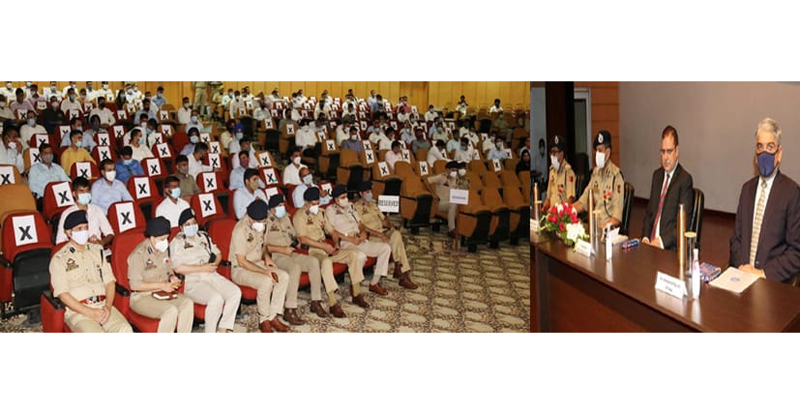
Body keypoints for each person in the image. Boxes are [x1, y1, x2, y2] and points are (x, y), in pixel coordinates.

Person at [730, 117, 800, 282]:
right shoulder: (746, 190)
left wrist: (762, 273)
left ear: (779, 153)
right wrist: (743, 268)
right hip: (741, 277)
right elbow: (736, 240)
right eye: (760, 147)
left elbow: (796, 251)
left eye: (770, 147)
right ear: (755, 154)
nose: (764, 153)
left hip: (771, 284)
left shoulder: (791, 192)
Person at [50, 210, 132, 333]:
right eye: (79, 229)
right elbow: (63, 294)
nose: (84, 232)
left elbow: (110, 282)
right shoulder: (59, 259)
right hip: (79, 312)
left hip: (103, 306)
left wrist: (108, 307)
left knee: (125, 330)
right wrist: (89, 312)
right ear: (68, 232)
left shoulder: (97, 250)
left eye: (86, 228)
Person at [294, 187, 370, 313]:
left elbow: (333, 231)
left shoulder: (321, 213)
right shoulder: (299, 216)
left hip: (327, 248)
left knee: (353, 255)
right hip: (313, 251)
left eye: (318, 203)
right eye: (313, 204)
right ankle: (333, 302)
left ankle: (356, 294)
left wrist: (336, 244)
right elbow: (303, 239)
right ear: (306, 203)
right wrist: (324, 247)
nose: (316, 206)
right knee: (326, 262)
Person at [170, 209, 242, 333]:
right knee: (216, 299)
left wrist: (215, 263)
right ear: (181, 227)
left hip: (211, 274)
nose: (191, 227)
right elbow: (178, 268)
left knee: (235, 292)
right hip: (193, 281)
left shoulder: (203, 236)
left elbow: (218, 253)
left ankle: (223, 328)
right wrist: (202, 268)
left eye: (193, 223)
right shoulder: (177, 243)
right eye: (187, 225)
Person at [264, 194, 332, 323]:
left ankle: (316, 301)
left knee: (313, 261)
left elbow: (294, 236)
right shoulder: (266, 222)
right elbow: (263, 246)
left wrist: (297, 242)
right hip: (277, 256)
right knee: (295, 267)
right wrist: (281, 249)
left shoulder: (286, 219)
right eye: (279, 206)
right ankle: (290, 309)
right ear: (272, 209)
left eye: (283, 205)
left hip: (291, 252)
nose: (282, 208)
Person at [229, 199, 291, 332]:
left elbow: (263, 246)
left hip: (258, 263)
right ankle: (264, 319)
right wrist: (264, 272)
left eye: (264, 221)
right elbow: (242, 261)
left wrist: (267, 257)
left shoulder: (263, 224)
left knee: (283, 276)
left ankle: (273, 315)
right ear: (250, 219)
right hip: (240, 269)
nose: (263, 224)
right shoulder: (240, 230)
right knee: (266, 281)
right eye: (260, 222)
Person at [127, 217, 194, 333]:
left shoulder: (163, 250)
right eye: (162, 239)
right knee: (170, 311)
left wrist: (172, 277)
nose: (165, 242)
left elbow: (168, 269)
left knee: (187, 303)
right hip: (142, 297)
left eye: (167, 238)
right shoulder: (138, 255)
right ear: (152, 238)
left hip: (163, 292)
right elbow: (135, 285)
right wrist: (161, 285)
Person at [326, 185, 392, 296]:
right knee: (360, 256)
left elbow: (360, 224)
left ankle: (374, 283)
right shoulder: (330, 210)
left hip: (359, 239)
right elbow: (331, 231)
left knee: (385, 248)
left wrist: (363, 233)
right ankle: (355, 286)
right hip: (346, 241)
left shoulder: (351, 206)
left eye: (346, 196)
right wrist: (350, 238)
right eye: (342, 197)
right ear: (336, 199)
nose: (345, 199)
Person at [641, 126, 695, 250]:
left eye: (669, 151)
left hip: (668, 249)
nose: (665, 157)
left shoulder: (684, 180)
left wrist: (660, 242)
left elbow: (682, 225)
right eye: (662, 151)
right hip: (650, 246)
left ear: (677, 151)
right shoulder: (657, 175)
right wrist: (645, 238)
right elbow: (649, 214)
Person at [355, 181, 417, 289]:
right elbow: (361, 227)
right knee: (393, 242)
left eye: (370, 191)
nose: (370, 193)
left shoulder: (374, 204)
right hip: (372, 235)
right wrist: (379, 235)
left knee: (396, 234)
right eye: (367, 192)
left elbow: (384, 222)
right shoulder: (357, 207)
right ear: (361, 193)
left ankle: (399, 269)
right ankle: (402, 274)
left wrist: (388, 217)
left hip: (383, 231)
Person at [572, 130, 625, 230]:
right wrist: (566, 210)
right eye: (596, 150)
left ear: (608, 153)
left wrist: (600, 229)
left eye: (600, 151)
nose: (597, 154)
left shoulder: (616, 177)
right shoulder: (595, 174)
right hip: (594, 227)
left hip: (608, 230)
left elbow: (616, 219)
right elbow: (583, 202)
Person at [55, 177, 114, 245]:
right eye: (81, 191)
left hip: (96, 249)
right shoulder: (67, 213)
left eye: (87, 191)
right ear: (74, 194)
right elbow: (60, 241)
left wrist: (101, 242)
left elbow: (110, 233)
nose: (85, 193)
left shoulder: (97, 209)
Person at [428, 161, 470, 237]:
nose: (455, 172)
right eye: (453, 170)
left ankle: (465, 232)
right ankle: (451, 230)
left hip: (452, 202)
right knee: (453, 204)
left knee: (461, 205)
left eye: (456, 171)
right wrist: (432, 193)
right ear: (447, 170)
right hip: (440, 203)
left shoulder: (457, 179)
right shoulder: (441, 177)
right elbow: (426, 180)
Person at [541, 136, 574, 212]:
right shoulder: (552, 171)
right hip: (551, 213)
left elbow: (570, 199)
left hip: (562, 214)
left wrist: (564, 213)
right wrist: (543, 208)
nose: (552, 155)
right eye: (551, 152)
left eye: (555, 152)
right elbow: (548, 197)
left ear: (561, 154)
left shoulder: (568, 172)